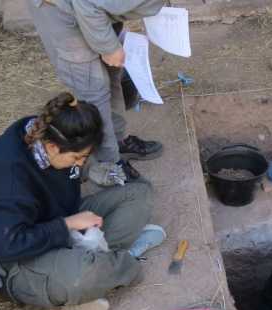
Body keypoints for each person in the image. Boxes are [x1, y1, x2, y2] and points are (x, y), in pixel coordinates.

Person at [0, 92, 166, 310]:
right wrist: (67, 224)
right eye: (78, 158)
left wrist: (90, 170)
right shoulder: (9, 178)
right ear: (52, 147)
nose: (80, 163)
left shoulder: (46, 129)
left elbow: (71, 168)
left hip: (53, 219)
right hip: (13, 257)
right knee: (80, 276)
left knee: (139, 193)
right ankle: (118, 264)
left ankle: (100, 263)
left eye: (85, 157)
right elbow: (7, 245)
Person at [26, 0, 167, 187]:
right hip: (60, 10)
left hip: (91, 8)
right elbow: (87, 5)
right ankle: (108, 164)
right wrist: (108, 46)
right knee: (93, 90)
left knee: (112, 72)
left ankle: (118, 141)